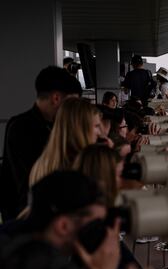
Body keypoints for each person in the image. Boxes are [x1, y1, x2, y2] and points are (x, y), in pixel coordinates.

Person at [0, 66, 82, 221]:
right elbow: (35, 179)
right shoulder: (22, 128)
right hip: (26, 218)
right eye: (72, 105)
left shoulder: (52, 126)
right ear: (56, 98)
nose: (74, 113)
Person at [29, 98, 102, 186]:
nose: (100, 133)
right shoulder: (85, 167)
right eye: (97, 126)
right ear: (80, 128)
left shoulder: (40, 165)